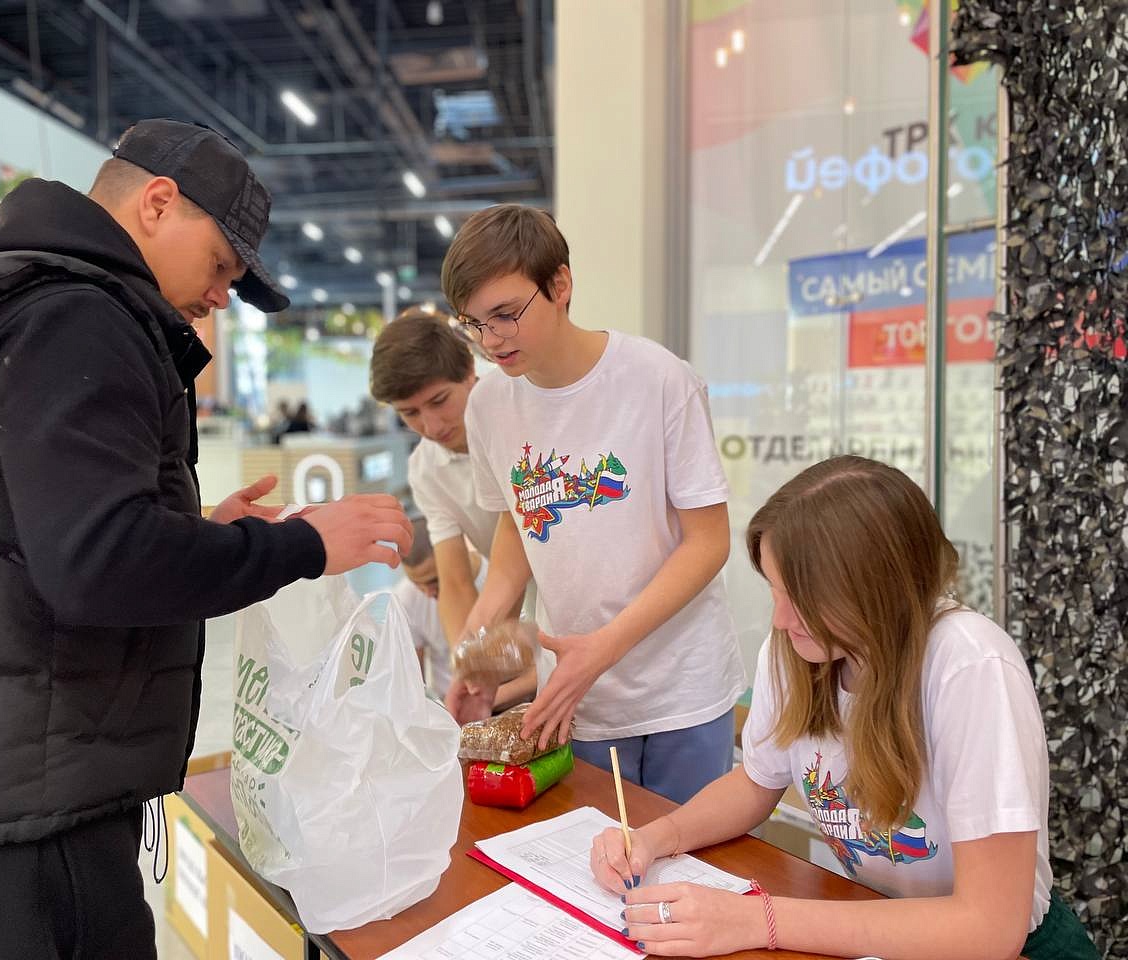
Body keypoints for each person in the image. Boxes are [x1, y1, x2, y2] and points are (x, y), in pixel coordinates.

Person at [0, 118, 412, 960]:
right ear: (157, 202)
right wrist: (307, 548)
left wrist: (193, 536)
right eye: (220, 265)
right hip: (11, 818)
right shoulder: (73, 310)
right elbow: (98, 563)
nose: (219, 297)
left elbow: (37, 534)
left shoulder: (6, 292)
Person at [591, 456, 1098, 960]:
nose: (781, 619)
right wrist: (656, 838)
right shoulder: (798, 651)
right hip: (874, 919)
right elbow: (756, 783)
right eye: (775, 590)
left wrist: (757, 920)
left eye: (803, 598)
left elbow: (988, 929)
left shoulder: (970, 666)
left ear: (877, 588)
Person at [441, 204, 746, 804]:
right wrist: (479, 652)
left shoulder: (659, 379)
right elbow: (518, 531)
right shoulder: (489, 407)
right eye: (474, 323)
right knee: (589, 853)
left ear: (560, 285)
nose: (491, 341)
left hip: (680, 690)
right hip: (577, 700)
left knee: (692, 855)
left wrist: (602, 648)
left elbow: (709, 542)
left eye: (505, 314)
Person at [370, 307, 535, 709]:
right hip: (530, 612)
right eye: (409, 413)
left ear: (469, 371)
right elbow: (455, 582)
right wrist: (470, 671)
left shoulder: (523, 408)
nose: (431, 426)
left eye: (439, 401)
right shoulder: (425, 468)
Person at [391, 517, 489, 699]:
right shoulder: (407, 596)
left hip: (503, 699)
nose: (427, 593)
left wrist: (485, 700)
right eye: (417, 583)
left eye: (434, 580)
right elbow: (413, 681)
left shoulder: (495, 580)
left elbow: (533, 672)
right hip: (446, 703)